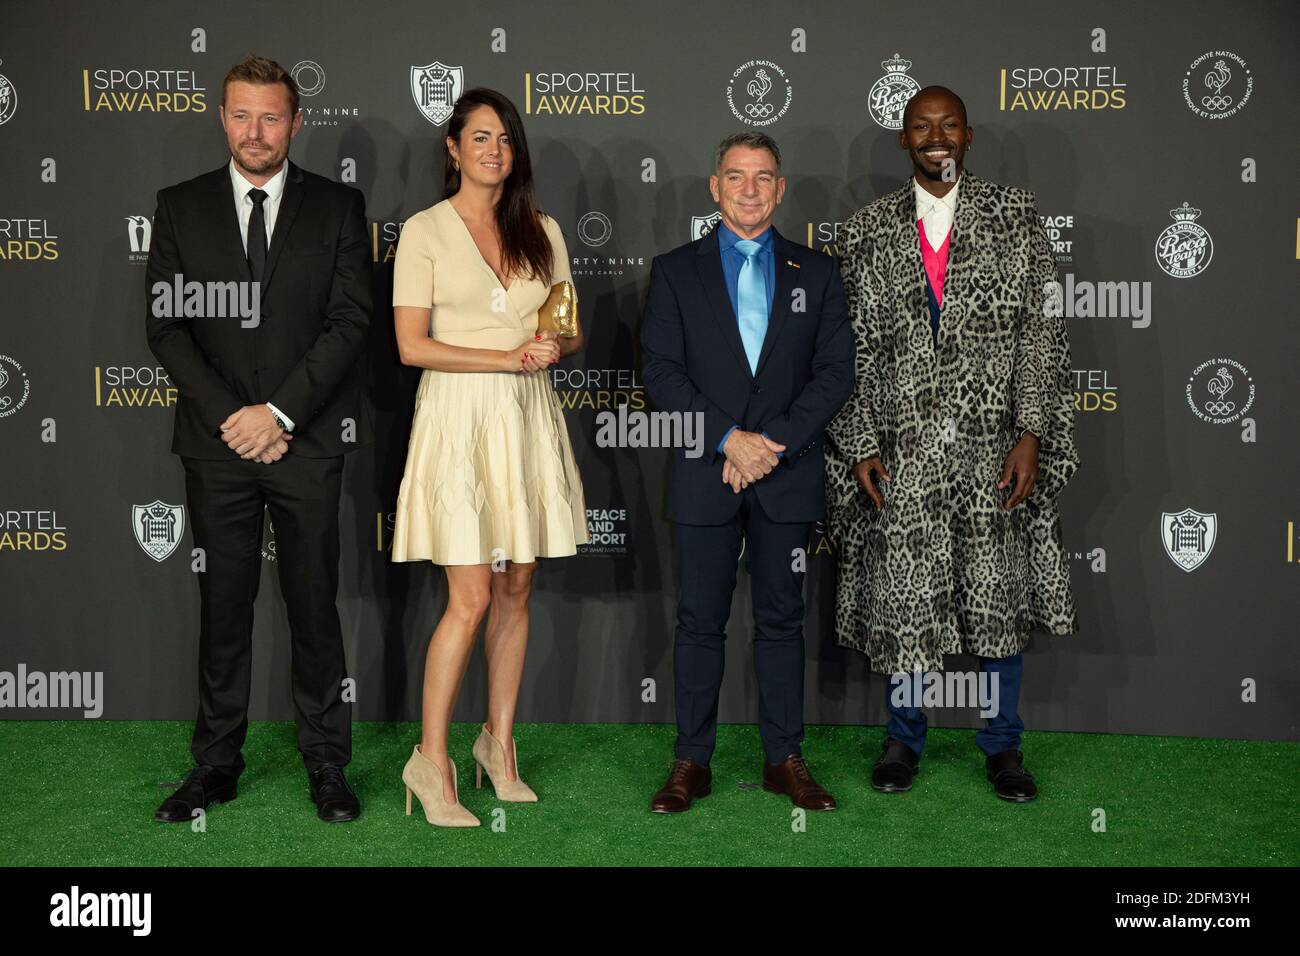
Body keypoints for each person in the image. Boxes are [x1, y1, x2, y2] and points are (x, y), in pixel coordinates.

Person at [825, 86, 1079, 802]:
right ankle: (904, 739)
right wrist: (862, 441)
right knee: (909, 600)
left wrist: (1031, 433)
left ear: (968, 135)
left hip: (990, 444)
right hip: (903, 449)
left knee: (995, 600)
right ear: (904, 141)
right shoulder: (869, 228)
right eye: (921, 127)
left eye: (948, 125)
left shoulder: (1015, 216)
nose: (936, 137)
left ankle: (1003, 747)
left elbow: (1041, 334)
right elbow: (855, 348)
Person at [146, 55, 373, 824]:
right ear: (222, 117)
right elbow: (168, 327)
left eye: (270, 116)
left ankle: (326, 764)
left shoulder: (340, 207)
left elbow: (350, 322)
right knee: (223, 608)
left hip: (305, 445)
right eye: (242, 114)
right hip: (217, 448)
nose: (255, 131)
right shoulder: (178, 207)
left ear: (296, 122)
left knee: (314, 607)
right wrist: (235, 420)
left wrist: (277, 416)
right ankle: (214, 765)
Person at [389, 88, 587, 827]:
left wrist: (548, 347)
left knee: (518, 586)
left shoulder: (543, 229)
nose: (493, 150)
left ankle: (498, 748)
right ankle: (430, 762)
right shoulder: (424, 232)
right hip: (459, 419)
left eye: (504, 138)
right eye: (478, 137)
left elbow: (567, 330)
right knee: (469, 598)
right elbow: (412, 346)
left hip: (527, 419)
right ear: (453, 148)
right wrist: (505, 359)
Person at [641, 132, 854, 813]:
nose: (751, 189)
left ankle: (783, 759)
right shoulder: (676, 271)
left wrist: (772, 445)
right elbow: (661, 375)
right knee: (699, 620)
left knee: (782, 621)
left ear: (781, 188)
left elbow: (834, 375)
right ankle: (690, 761)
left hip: (785, 478)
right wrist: (730, 440)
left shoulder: (816, 273)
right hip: (707, 474)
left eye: (764, 177)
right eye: (737, 176)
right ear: (715, 186)